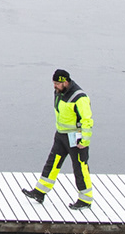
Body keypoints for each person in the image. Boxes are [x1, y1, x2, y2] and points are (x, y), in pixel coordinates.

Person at [30, 68, 93, 208]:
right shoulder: (59, 92)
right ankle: (40, 191)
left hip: (76, 138)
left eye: (57, 84)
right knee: (52, 163)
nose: (54, 86)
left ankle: (86, 199)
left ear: (65, 82)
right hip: (61, 135)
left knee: (80, 168)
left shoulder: (80, 98)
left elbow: (87, 120)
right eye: (53, 83)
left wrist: (84, 141)